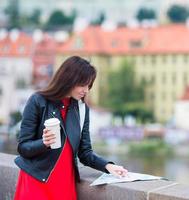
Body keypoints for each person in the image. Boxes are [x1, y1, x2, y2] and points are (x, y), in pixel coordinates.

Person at [14, 56, 128, 199]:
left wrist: (108, 166)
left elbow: (85, 152)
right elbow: (23, 147)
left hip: (65, 183)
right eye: (83, 85)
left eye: (89, 86)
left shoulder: (82, 109)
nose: (86, 90)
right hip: (37, 180)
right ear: (68, 80)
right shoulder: (38, 101)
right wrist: (44, 143)